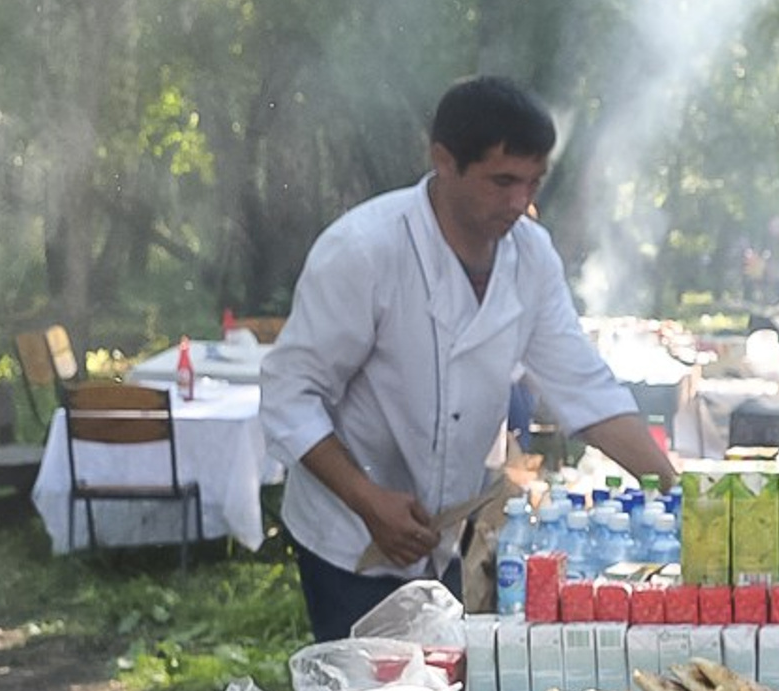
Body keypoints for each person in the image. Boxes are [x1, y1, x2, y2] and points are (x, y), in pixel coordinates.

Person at [262, 76, 666, 639]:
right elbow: (289, 394)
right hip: (348, 534)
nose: (520, 202)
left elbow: (585, 389)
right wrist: (368, 499)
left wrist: (679, 492)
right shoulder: (364, 250)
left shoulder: (531, 256)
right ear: (444, 161)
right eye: (502, 181)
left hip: (442, 533)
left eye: (532, 182)